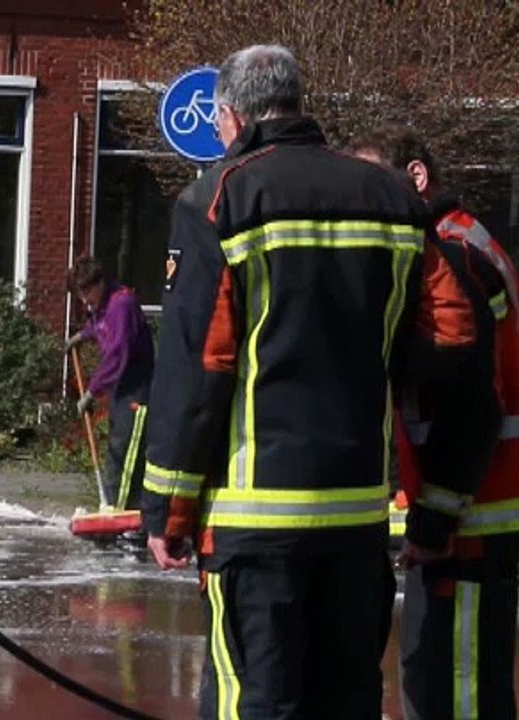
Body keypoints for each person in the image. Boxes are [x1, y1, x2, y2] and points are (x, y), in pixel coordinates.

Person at [140, 45, 497, 719]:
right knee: (345, 702)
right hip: (358, 516)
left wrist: (166, 507)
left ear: (230, 115)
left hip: (252, 521)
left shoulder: (219, 196)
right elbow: (453, 337)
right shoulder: (391, 197)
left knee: (256, 702)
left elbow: (197, 365)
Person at [350, 126, 518, 720]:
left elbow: (470, 398)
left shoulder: (450, 255)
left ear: (415, 178)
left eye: (374, 184)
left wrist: (435, 514)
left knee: (457, 687)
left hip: (470, 516)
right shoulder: (464, 240)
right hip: (473, 508)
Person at [66, 256, 154, 511]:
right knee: (115, 451)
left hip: (137, 391)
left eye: (87, 292)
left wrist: (92, 391)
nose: (84, 300)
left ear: (100, 283)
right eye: (80, 293)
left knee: (127, 455)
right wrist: (83, 335)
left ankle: (120, 511)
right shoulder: (103, 305)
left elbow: (118, 352)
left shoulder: (122, 304)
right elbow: (102, 327)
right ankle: (114, 506)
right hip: (121, 392)